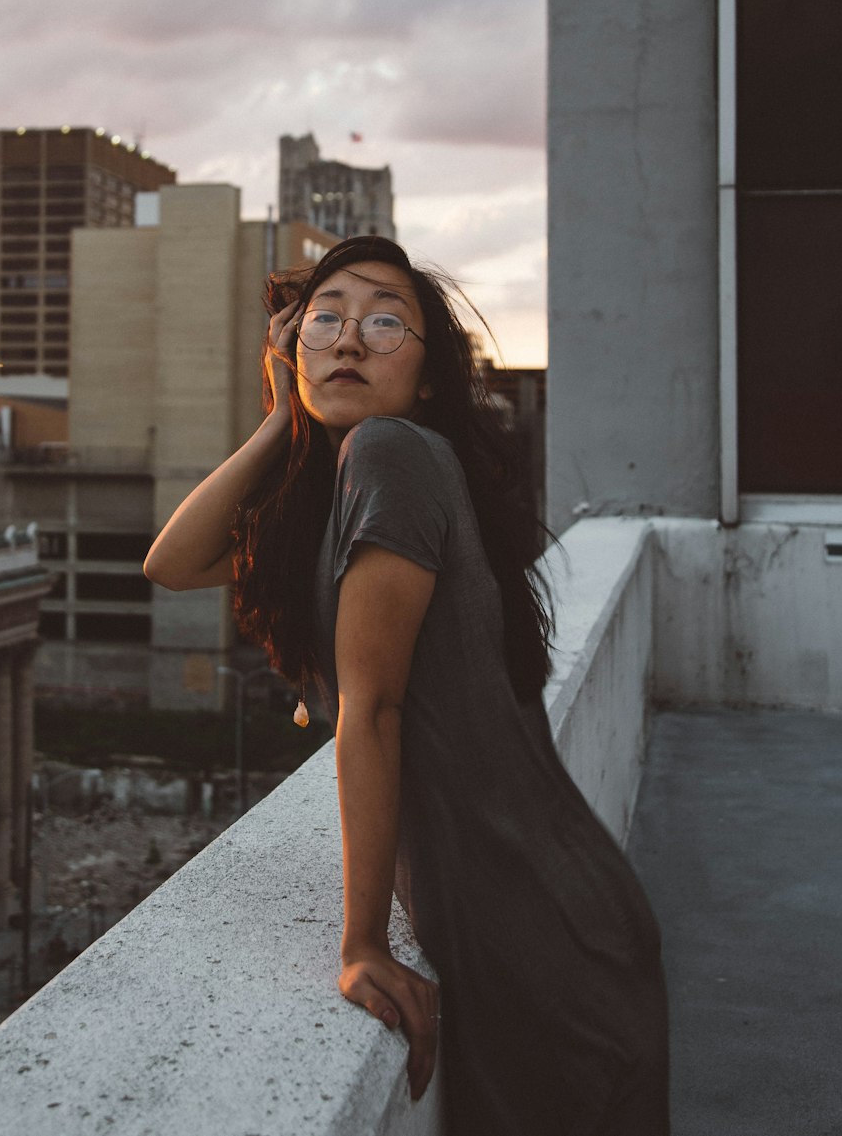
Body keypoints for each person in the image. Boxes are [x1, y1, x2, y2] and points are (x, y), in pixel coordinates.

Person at [144, 235, 669, 1135]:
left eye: (386, 320)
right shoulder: (344, 495)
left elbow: (374, 707)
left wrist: (360, 944)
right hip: (536, 920)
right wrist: (282, 416)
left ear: (429, 378)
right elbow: (173, 558)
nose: (349, 338)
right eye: (325, 318)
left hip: (538, 935)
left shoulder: (393, 453)